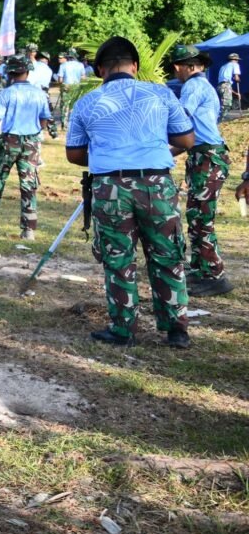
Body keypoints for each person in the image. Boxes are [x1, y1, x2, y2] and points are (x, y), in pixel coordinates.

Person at [66, 36, 195, 349]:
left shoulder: (86, 103)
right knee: (168, 255)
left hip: (110, 187)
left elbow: (74, 154)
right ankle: (176, 330)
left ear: (100, 70)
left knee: (118, 257)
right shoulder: (161, 94)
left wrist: (104, 157)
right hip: (156, 184)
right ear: (135, 66)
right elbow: (187, 140)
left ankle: (123, 329)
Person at [169, 45, 232, 297]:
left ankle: (214, 274)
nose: (177, 72)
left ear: (184, 66)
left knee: (202, 217)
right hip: (203, 154)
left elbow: (181, 119)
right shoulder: (206, 86)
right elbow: (192, 134)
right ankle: (200, 266)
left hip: (207, 156)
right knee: (196, 214)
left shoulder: (193, 86)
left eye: (177, 67)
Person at [0, 56, 49, 239]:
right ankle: (28, 229)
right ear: (28, 71)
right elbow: (44, 120)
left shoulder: (6, 93)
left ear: (10, 73)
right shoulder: (39, 94)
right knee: (29, 185)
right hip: (31, 143)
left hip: (9, 142)